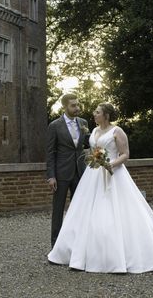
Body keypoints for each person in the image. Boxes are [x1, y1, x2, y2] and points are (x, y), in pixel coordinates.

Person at [48, 102, 153, 273]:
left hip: (114, 174)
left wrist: (110, 164)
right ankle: (78, 251)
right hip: (93, 176)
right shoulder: (93, 131)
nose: (94, 114)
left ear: (106, 115)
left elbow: (125, 155)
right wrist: (94, 159)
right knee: (85, 211)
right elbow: (93, 150)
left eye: (97, 112)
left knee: (115, 210)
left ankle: (117, 255)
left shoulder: (117, 131)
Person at [46, 93, 90, 247]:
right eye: (73, 105)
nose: (77, 108)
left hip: (80, 172)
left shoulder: (84, 122)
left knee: (80, 209)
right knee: (58, 210)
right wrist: (51, 176)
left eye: (78, 105)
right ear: (64, 106)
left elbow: (89, 144)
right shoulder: (54, 126)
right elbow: (50, 153)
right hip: (61, 174)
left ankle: (78, 244)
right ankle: (56, 246)